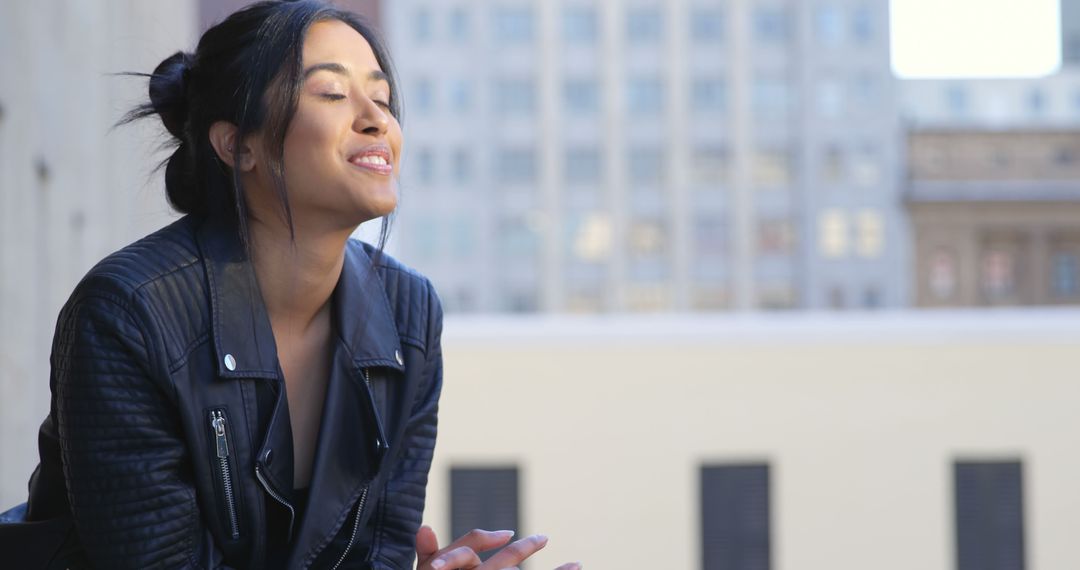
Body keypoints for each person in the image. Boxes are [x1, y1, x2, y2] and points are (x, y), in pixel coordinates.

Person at [6, 1, 579, 568]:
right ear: (238, 145)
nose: (376, 118)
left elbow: (378, 553)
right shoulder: (131, 313)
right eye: (331, 93)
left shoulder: (408, 315)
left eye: (381, 98)